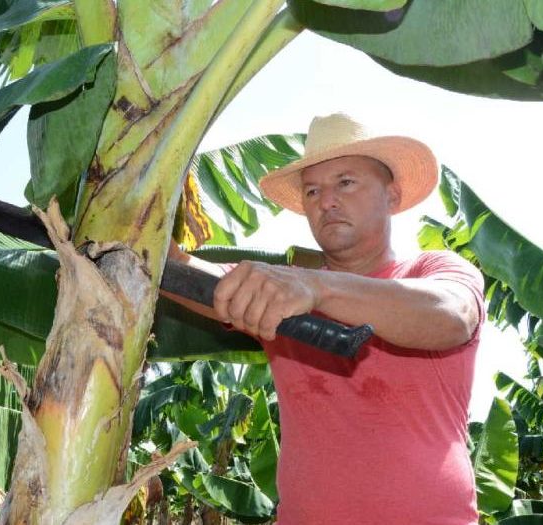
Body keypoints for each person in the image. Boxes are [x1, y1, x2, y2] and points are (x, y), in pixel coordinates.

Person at [166, 113, 484, 524]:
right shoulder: (281, 291)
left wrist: (318, 289)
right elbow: (185, 274)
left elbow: (452, 316)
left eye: (345, 183)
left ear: (392, 195)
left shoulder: (434, 270)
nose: (326, 201)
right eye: (312, 190)